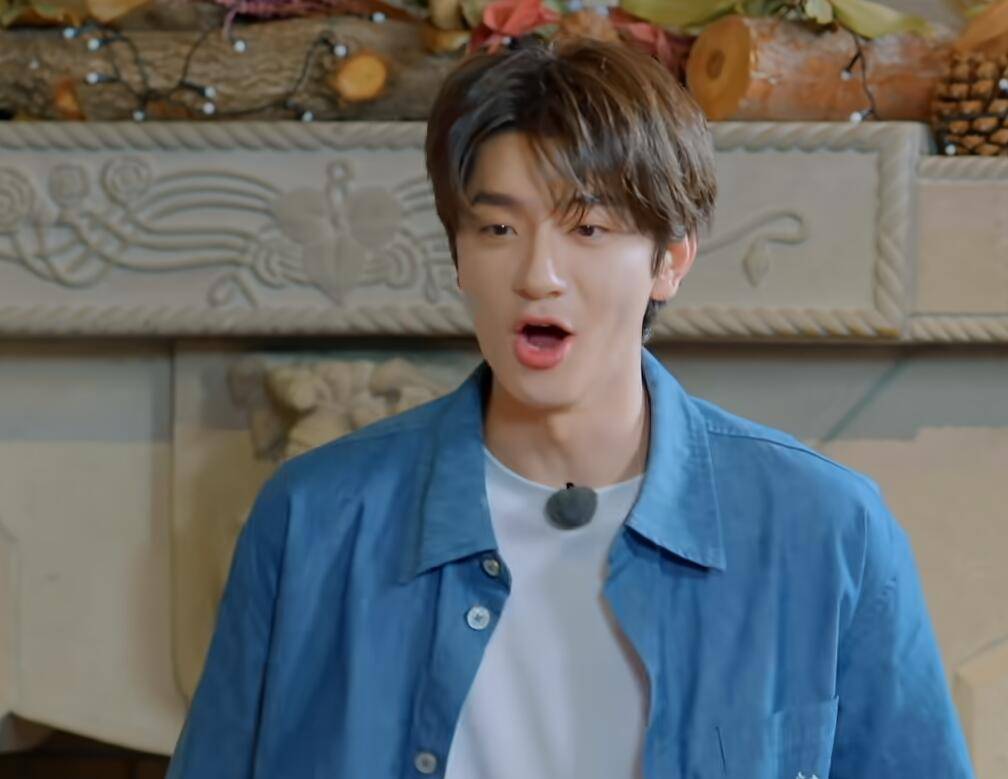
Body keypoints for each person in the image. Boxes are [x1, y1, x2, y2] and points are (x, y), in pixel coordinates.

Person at [166, 37, 975, 779]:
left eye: (587, 227)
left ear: (670, 260)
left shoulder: (827, 529)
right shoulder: (313, 521)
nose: (538, 275)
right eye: (497, 228)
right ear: (458, 254)